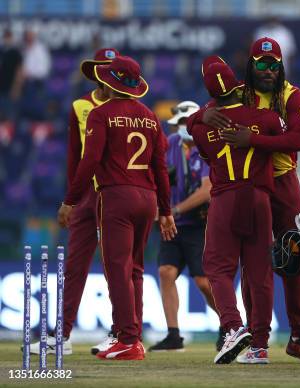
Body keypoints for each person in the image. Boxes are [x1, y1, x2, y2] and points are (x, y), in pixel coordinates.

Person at [57, 55, 177, 361]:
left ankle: (127, 339)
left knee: (117, 268)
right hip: (147, 197)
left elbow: (89, 162)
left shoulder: (101, 113)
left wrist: (71, 200)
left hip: (116, 197)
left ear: (110, 82)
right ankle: (132, 335)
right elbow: (161, 167)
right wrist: (166, 210)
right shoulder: (150, 117)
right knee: (135, 268)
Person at [211, 37, 300, 363]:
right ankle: (257, 336)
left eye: (274, 64)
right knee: (253, 263)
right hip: (250, 185)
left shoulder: (292, 95)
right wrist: (198, 119)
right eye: (262, 64)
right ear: (251, 64)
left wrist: (253, 139)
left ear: (281, 65)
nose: (269, 70)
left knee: (293, 260)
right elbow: (205, 111)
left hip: (283, 181)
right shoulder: (239, 93)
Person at [188, 61, 285, 365]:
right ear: (238, 84)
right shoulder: (266, 118)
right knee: (260, 274)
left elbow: (199, 143)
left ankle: (232, 326)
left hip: (225, 198)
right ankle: (260, 344)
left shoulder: (204, 127)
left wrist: (201, 115)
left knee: (217, 268)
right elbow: (286, 139)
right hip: (259, 197)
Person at [26, 48, 120, 357]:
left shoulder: (128, 106)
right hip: (87, 196)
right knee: (74, 266)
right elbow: (74, 157)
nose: (106, 74)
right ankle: (62, 334)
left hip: (117, 192)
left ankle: (123, 333)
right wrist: (71, 198)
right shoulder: (80, 105)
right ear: (94, 73)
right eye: (101, 69)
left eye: (111, 68)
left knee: (120, 267)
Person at [149, 100, 221, 352]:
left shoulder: (208, 147)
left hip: (198, 225)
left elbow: (207, 191)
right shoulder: (170, 144)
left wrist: (173, 209)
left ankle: (230, 326)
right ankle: (173, 334)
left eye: (186, 121)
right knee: (166, 272)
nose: (183, 126)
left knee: (203, 282)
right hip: (173, 223)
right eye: (179, 123)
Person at [0, 29, 23, 124]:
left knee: (10, 115)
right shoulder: (1, 51)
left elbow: (19, 71)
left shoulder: (15, 53)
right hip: (1, 87)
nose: (7, 39)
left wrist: (16, 88)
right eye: (6, 37)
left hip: (10, 87)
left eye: (9, 37)